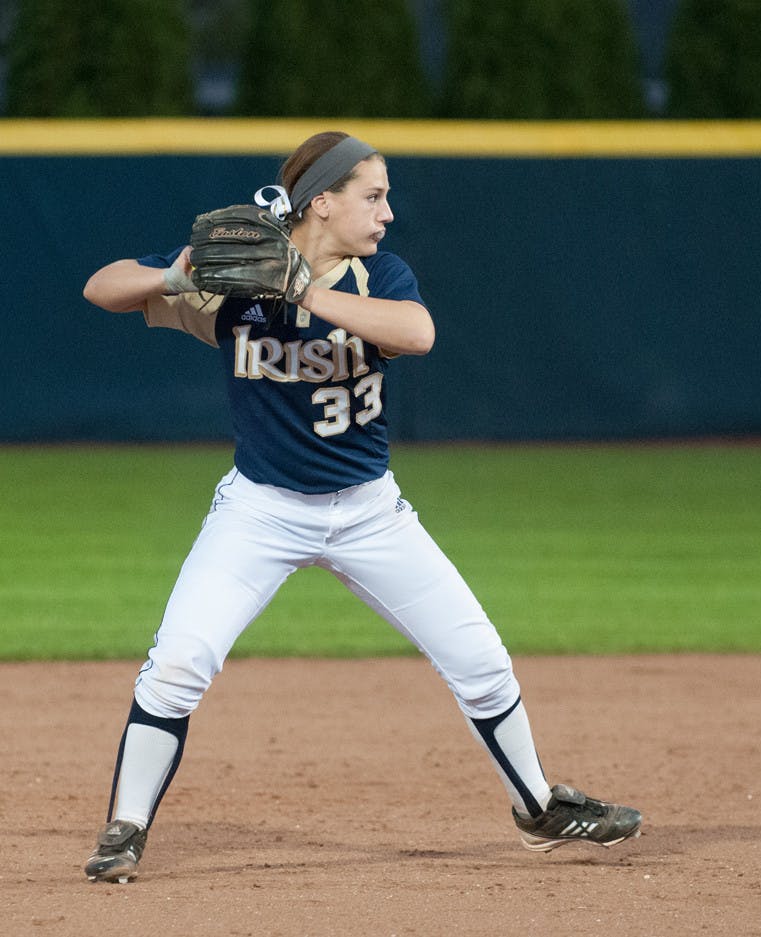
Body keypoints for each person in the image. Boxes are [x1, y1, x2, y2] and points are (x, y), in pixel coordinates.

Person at [82, 131, 641, 884]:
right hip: (261, 510)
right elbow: (104, 287)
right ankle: (125, 827)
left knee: (479, 660)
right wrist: (183, 267)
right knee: (179, 661)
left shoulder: (381, 275)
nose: (385, 212)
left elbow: (419, 333)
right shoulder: (233, 280)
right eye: (372, 195)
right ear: (322, 201)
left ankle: (538, 807)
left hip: (371, 512)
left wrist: (303, 290)